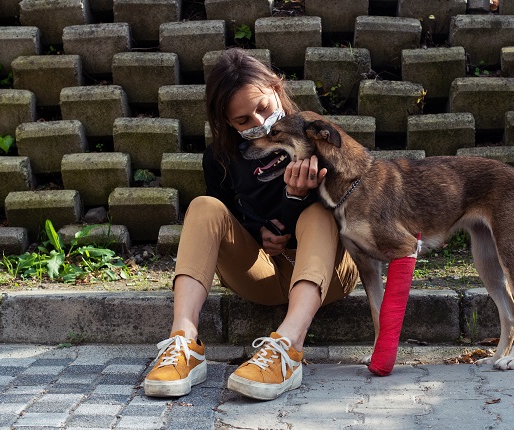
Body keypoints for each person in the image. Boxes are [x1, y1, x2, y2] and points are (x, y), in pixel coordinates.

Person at [142, 48, 360, 401]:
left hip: (327, 274)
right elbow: (230, 219)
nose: (259, 122)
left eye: (262, 106)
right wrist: (259, 233)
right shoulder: (220, 158)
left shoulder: (317, 135)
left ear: (276, 88)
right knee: (204, 206)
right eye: (243, 120)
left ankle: (288, 348)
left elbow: (355, 210)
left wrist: (298, 197)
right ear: (227, 122)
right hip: (262, 275)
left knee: (319, 214)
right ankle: (183, 343)